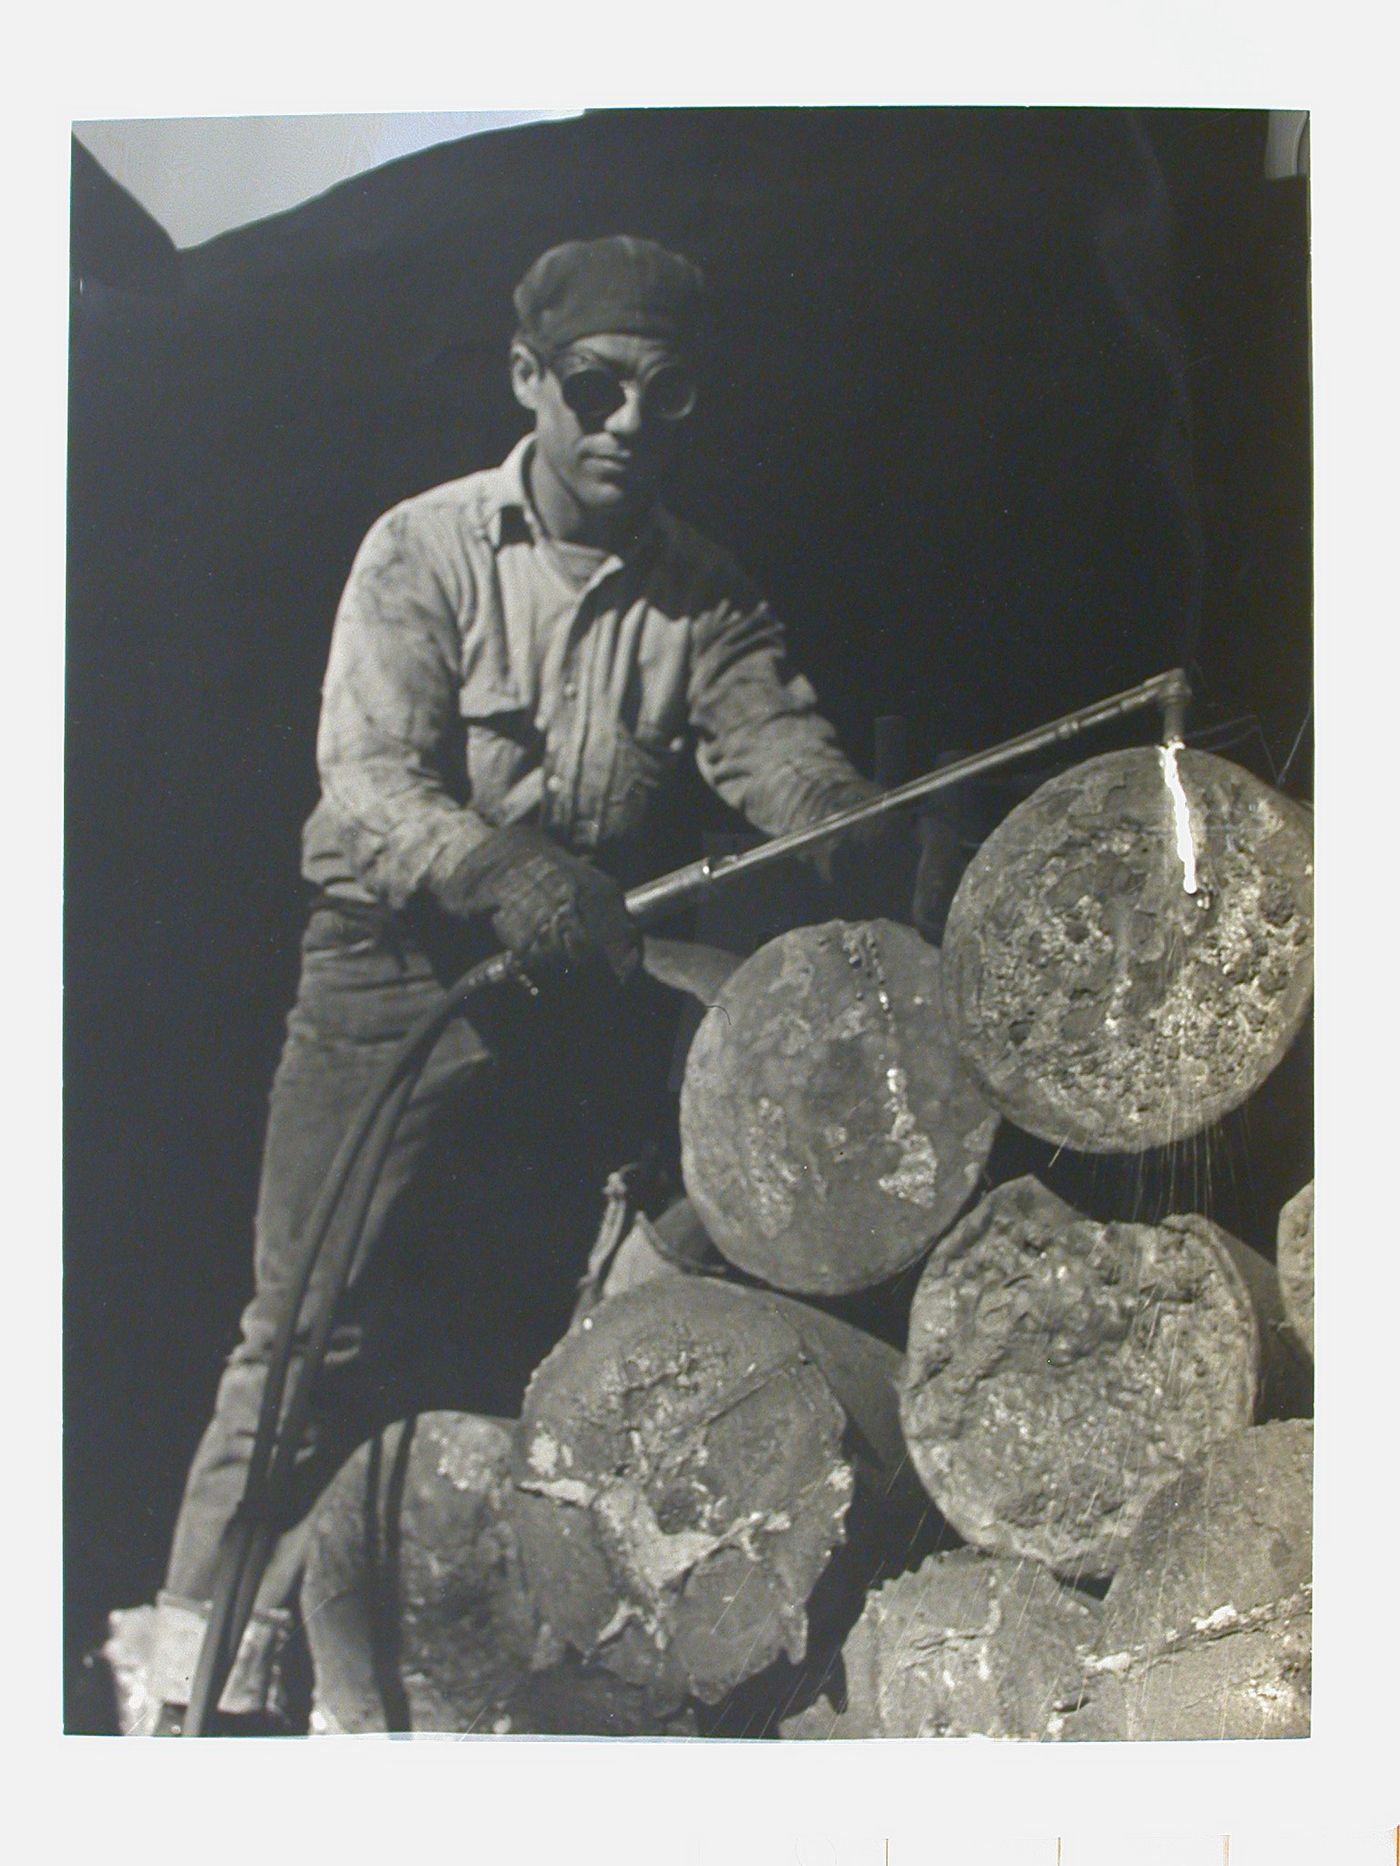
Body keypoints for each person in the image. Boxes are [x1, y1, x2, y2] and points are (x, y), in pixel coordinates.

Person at [143, 235, 939, 1732]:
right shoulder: (423, 550)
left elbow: (773, 751)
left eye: (665, 393)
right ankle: (188, 1661)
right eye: (595, 386)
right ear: (531, 382)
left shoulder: (708, 599)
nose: (627, 421)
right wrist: (495, 868)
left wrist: (844, 819)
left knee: (671, 1217)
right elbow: (366, 783)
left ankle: (551, 1645)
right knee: (300, 1326)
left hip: (573, 969)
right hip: (398, 967)